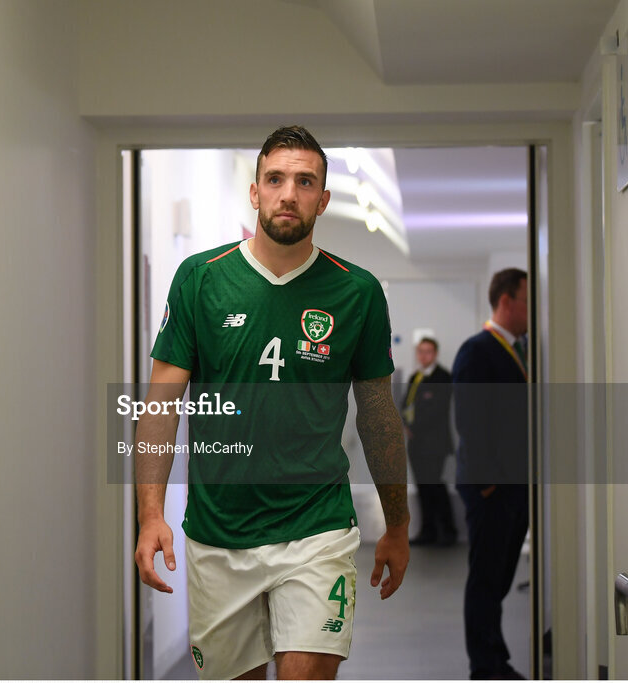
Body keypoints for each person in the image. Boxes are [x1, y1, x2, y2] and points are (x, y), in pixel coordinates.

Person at [133, 126, 410, 681]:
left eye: (305, 182)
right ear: (255, 191)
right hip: (219, 531)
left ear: (323, 200)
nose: (289, 194)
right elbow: (161, 404)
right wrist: (150, 515)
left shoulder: (357, 292)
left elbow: (379, 417)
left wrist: (397, 524)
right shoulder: (201, 279)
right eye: (276, 179)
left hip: (317, 527)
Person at [452, 268, 529, 680]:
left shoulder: (519, 350)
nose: (531, 310)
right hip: (491, 489)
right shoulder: (478, 350)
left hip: (514, 487)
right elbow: (470, 420)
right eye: (527, 301)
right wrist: (487, 483)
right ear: (505, 302)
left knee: (498, 579)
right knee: (485, 579)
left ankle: (496, 656)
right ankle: (484, 666)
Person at [402, 337, 457, 546]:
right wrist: (407, 425)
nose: (424, 356)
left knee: (434, 485)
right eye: (421, 351)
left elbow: (437, 409)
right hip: (416, 443)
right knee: (423, 487)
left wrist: (414, 427)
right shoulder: (415, 377)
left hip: (434, 443)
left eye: (428, 351)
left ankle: (448, 531)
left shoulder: (442, 377)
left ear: (435, 354)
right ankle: (428, 531)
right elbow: (406, 404)